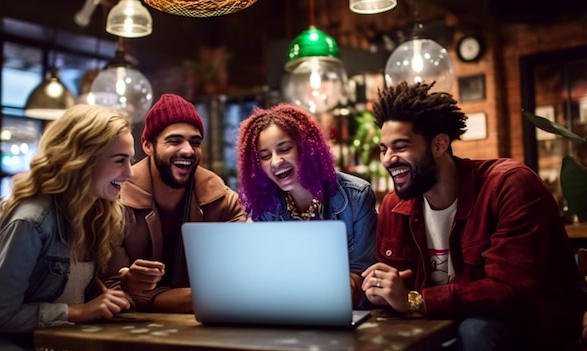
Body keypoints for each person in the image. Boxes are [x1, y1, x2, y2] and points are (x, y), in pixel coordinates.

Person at [361, 81, 583, 350]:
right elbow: (396, 292)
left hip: (532, 328)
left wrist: (414, 300)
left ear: (440, 144)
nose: (387, 159)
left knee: (477, 329)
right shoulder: (394, 206)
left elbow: (511, 291)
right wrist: (379, 289)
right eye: (384, 149)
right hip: (441, 327)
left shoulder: (508, 185)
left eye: (401, 146)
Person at [0, 105, 135, 351]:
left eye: (131, 160)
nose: (130, 173)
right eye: (120, 160)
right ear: (82, 160)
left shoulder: (96, 214)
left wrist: (115, 293)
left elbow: (67, 290)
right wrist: (78, 312)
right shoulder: (31, 221)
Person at [103, 93, 246, 313]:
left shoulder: (224, 202)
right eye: (175, 140)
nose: (188, 150)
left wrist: (149, 296)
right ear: (148, 146)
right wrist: (192, 299)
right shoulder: (115, 202)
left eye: (195, 142)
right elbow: (111, 288)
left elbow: (241, 280)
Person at [236, 103, 377, 308]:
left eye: (285, 149)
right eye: (265, 156)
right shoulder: (265, 207)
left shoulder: (356, 196)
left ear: (308, 148)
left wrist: (346, 285)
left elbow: (362, 275)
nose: (276, 162)